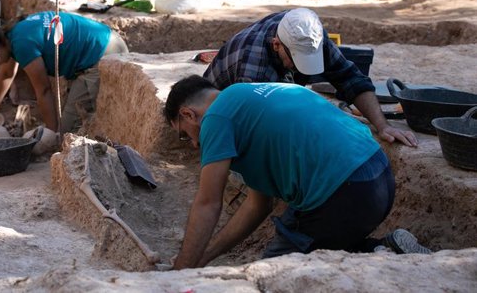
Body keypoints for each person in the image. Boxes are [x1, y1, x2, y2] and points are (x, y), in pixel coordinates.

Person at [165, 75, 432, 269]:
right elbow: (257, 206)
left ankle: (381, 253)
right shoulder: (248, 99)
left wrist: (179, 274)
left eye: (184, 136)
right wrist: (204, 257)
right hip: (379, 178)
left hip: (343, 193)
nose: (195, 144)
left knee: (274, 273)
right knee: (318, 246)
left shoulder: (215, 119)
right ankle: (384, 249)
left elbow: (208, 203)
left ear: (188, 114)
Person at [203, 7, 417, 147]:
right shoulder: (253, 65)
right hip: (217, 109)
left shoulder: (308, 34)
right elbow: (256, 127)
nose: (300, 69)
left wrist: (383, 126)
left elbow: (351, 79)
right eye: (294, 60)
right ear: (277, 45)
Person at [0, 11, 128, 134]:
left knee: (66, 134)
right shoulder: (12, 36)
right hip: (105, 41)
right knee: (65, 122)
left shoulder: (22, 45)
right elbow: (6, 74)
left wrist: (52, 133)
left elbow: (43, 91)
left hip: (104, 55)